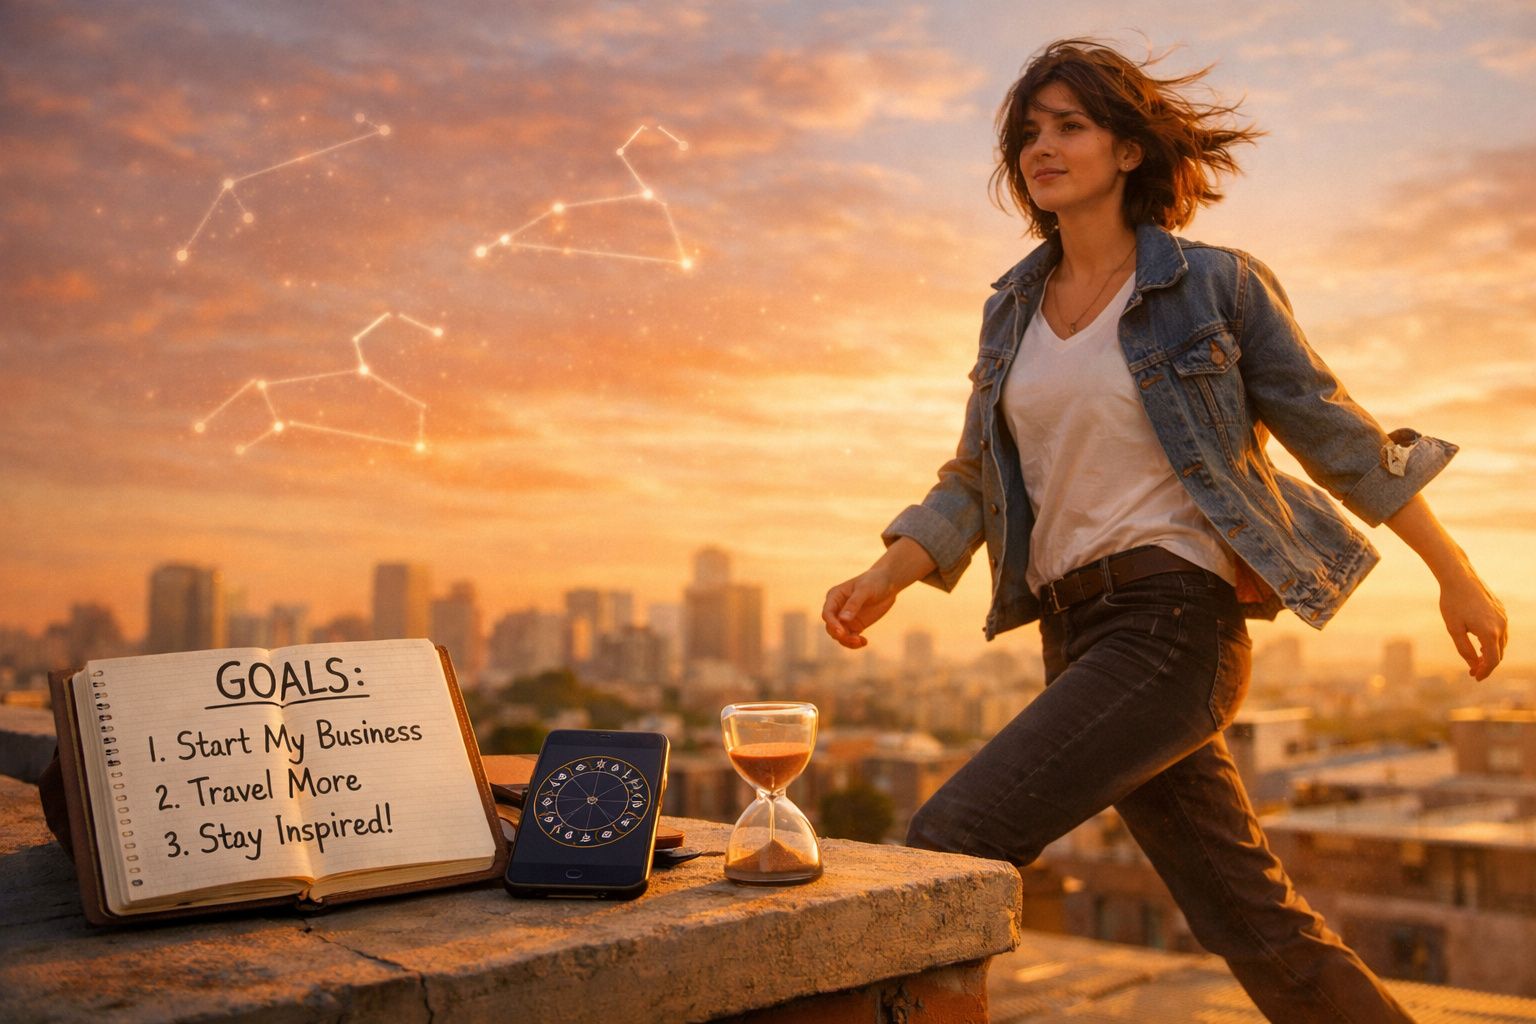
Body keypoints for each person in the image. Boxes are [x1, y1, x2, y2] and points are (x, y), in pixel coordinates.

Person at [821, 38, 1508, 1023]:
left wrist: (1456, 572)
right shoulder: (1011, 312)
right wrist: (885, 572)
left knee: (951, 840)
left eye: (1070, 126)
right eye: (1028, 133)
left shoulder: (1215, 286)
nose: (1041, 148)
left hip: (1173, 625)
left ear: (1129, 149)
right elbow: (975, 477)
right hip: (1076, 634)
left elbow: (1339, 438)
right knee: (1249, 916)